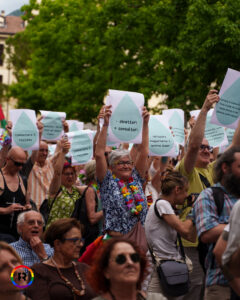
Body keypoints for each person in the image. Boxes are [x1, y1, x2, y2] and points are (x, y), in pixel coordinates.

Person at [95, 105, 149, 239]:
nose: (126, 166)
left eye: (128, 162)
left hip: (139, 240)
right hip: (115, 241)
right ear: (111, 167)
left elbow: (144, 151)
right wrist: (105, 125)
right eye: (121, 163)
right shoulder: (107, 181)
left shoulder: (136, 177)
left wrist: (145, 124)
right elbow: (99, 154)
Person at [193, 146, 240, 299]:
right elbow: (207, 233)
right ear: (225, 168)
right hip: (222, 285)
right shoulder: (209, 195)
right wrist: (236, 225)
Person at [145, 171, 196, 299]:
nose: (186, 195)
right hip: (159, 267)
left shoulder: (169, 207)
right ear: (177, 189)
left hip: (170, 266)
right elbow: (184, 230)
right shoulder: (162, 204)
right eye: (185, 191)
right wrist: (193, 212)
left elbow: (190, 237)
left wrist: (193, 211)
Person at [25, 218, 96, 300]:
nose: (80, 244)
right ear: (57, 244)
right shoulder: (39, 271)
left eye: (81, 240)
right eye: (75, 240)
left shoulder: (85, 269)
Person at [46, 138, 86, 228]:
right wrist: (63, 153)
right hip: (54, 231)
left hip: (71, 232)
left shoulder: (77, 191)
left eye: (72, 174)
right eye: (67, 174)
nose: (70, 176)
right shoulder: (56, 189)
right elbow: (57, 173)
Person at [0, 146, 29, 242]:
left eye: (22, 164)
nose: (20, 167)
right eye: (17, 164)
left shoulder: (23, 179)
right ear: (8, 159)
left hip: (17, 235)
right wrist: (5, 210)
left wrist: (26, 207)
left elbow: (26, 203)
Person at [81, 159, 103, 253]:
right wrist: (109, 208)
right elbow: (92, 218)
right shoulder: (90, 190)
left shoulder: (99, 188)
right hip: (95, 238)